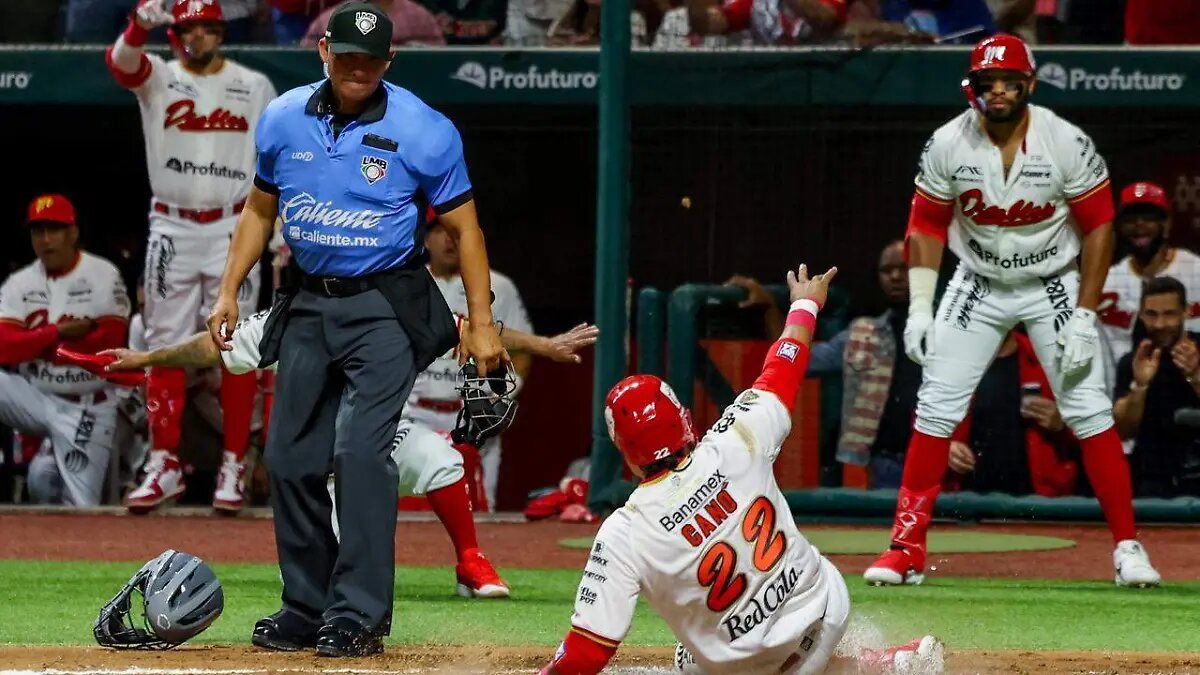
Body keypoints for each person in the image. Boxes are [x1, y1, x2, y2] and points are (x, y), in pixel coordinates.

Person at [205, 1, 505, 657]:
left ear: (389, 60)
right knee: (288, 457)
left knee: (362, 453)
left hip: (386, 306)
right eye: (348, 58)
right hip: (308, 304)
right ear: (324, 54)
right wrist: (229, 289)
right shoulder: (283, 118)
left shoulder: (424, 128)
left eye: (372, 59)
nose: (359, 70)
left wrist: (482, 324)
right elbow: (259, 211)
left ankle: (360, 611)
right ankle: (307, 604)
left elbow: (466, 229)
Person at [540, 263, 943, 675]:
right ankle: (877, 665)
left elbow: (587, 652)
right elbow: (784, 366)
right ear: (683, 420)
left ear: (626, 454)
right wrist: (805, 304)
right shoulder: (733, 441)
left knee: (690, 659)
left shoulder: (625, 532)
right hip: (826, 609)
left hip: (756, 668)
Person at [862, 34, 1161, 589]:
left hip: (1051, 282)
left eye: (1008, 82)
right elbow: (925, 225)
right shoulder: (947, 143)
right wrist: (921, 308)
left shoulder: (1065, 140)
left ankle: (1127, 546)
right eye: (986, 82)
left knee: (1089, 410)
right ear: (971, 88)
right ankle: (905, 549)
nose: (997, 91)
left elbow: (1099, 227)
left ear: (1030, 84)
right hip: (978, 280)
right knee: (934, 409)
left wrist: (1086, 314)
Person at [68, 310, 598, 600]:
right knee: (333, 583)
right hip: (319, 459)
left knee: (442, 459)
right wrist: (145, 356)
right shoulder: (290, 315)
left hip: (378, 434)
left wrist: (547, 346)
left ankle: (469, 559)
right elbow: (213, 347)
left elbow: (476, 329)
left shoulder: (398, 303)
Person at [105, 0, 278, 514]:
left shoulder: (253, 84)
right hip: (172, 224)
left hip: (234, 222)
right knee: (166, 342)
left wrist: (281, 227)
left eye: (206, 28)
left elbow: (277, 159)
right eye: (186, 29)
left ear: (221, 32)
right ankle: (164, 462)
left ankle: (232, 463)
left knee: (235, 340)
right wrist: (140, 23)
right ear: (175, 33)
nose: (196, 37)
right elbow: (119, 63)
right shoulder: (159, 76)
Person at [0, 195, 131, 506]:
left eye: (54, 230)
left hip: (87, 405)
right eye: (37, 231)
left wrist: (32, 343)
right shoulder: (19, 283)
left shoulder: (103, 274)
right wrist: (58, 333)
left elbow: (108, 343)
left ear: (73, 232)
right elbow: (3, 347)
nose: (45, 240)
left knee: (77, 507)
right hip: (36, 398)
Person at [417, 214, 532, 510]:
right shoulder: (409, 285)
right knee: (407, 512)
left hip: (472, 417)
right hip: (414, 414)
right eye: (440, 231)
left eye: (455, 232)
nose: (448, 239)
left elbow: (521, 350)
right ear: (426, 239)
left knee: (478, 510)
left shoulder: (499, 286)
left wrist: (500, 397)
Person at [1113, 276, 1200, 498]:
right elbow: (1123, 430)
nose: (1160, 324)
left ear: (1186, 312)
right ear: (1141, 315)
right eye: (1151, 315)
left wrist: (1195, 376)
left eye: (1169, 314)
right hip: (1151, 482)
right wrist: (1140, 386)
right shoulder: (1133, 361)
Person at [1099, 181, 1200, 369]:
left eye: (1148, 217)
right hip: (1126, 390)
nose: (1139, 224)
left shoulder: (1195, 270)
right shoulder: (1107, 283)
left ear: (1166, 223)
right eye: (1131, 218)